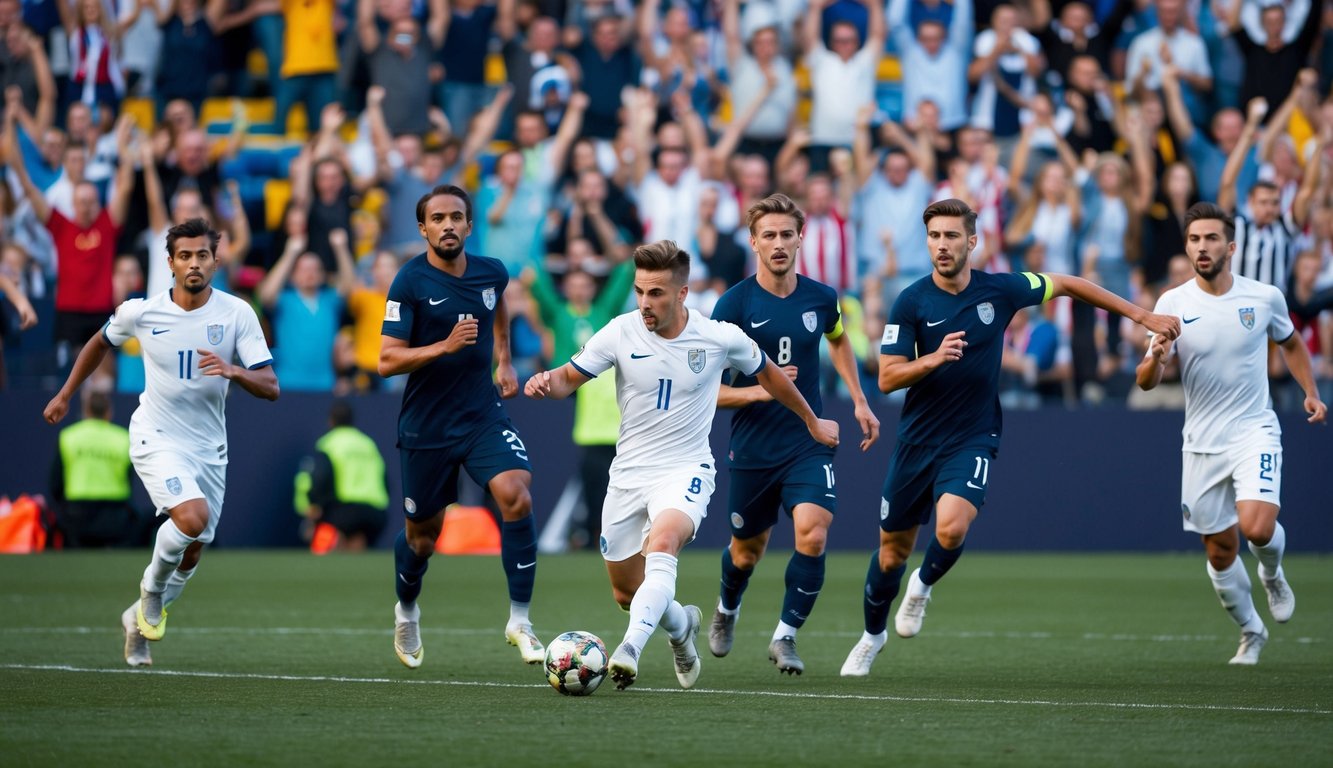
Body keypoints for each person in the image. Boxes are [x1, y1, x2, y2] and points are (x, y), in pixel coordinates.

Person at [840, 199, 1180, 677]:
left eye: (951, 236)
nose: (942, 245)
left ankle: (922, 585)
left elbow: (1069, 284)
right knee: (891, 551)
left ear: (972, 241)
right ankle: (870, 638)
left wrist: (1141, 316)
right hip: (916, 442)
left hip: (973, 436)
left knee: (952, 528)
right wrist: (933, 359)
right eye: (935, 236)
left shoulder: (1000, 290)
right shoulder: (911, 301)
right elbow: (888, 378)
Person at [524, 240, 840, 690]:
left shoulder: (717, 337)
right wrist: (544, 381)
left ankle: (629, 647)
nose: (645, 303)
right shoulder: (619, 331)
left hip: (686, 468)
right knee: (626, 593)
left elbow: (769, 373)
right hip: (629, 473)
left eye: (656, 293)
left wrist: (811, 420)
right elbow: (566, 379)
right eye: (639, 292)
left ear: (682, 293)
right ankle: (680, 628)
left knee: (664, 541)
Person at [41, 217, 279, 668]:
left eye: (202, 255)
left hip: (209, 448)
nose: (194, 263)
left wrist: (235, 372)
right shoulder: (142, 312)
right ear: (169, 262)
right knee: (192, 517)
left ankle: (136, 621)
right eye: (184, 256)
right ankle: (150, 594)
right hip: (156, 435)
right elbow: (98, 342)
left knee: (193, 547)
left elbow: (270, 385)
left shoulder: (237, 313)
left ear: (216, 260)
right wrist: (65, 393)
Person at [1135, 202, 1327, 665]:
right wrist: (1158, 357)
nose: (1203, 247)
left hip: (1253, 429)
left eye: (1212, 239)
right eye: (1195, 239)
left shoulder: (1264, 297)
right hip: (1201, 443)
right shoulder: (1172, 303)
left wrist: (1311, 392)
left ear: (1231, 246)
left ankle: (1273, 573)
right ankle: (1251, 629)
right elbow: (1144, 381)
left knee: (1257, 527)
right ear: (1187, 245)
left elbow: (1292, 342)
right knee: (1220, 552)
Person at [708, 193, 881, 675]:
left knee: (814, 532)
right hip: (753, 446)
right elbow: (707, 389)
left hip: (810, 441)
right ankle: (727, 608)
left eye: (787, 234)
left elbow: (839, 338)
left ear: (801, 238)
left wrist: (860, 399)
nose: (779, 243)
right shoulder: (734, 304)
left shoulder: (822, 297)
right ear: (754, 242)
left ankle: (785, 636)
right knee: (746, 551)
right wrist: (761, 393)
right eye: (769, 235)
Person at [378, 184, 543, 670]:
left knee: (516, 493)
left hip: (480, 414)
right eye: (438, 219)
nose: (448, 225)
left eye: (456, 217)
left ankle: (520, 620)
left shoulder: (492, 272)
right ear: (423, 228)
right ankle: (406, 610)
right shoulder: (409, 282)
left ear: (470, 225)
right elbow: (386, 360)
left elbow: (499, 307)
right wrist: (442, 347)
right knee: (422, 539)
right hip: (427, 426)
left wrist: (505, 361)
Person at [48, 388, 138, 547]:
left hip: (76, 517)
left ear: (86, 411)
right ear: (108, 412)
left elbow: (56, 483)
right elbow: (130, 478)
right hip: (115, 518)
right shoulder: (123, 438)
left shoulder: (68, 436)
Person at [297, 400, 389, 551]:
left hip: (344, 510)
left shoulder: (329, 443)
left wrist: (314, 508)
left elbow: (320, 477)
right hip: (376, 512)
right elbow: (385, 480)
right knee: (357, 543)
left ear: (331, 421)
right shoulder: (368, 444)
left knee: (329, 537)